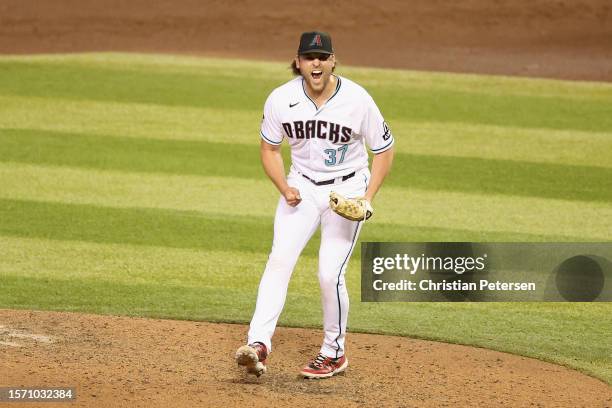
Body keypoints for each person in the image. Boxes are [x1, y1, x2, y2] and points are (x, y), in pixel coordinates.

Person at [235, 31, 394, 379]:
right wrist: (284, 186)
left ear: (333, 60)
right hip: (302, 187)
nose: (316, 63)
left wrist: (367, 198)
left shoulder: (357, 99)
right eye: (309, 57)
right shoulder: (280, 99)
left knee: (328, 273)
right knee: (279, 261)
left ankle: (333, 352)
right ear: (298, 62)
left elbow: (383, 150)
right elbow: (270, 149)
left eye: (322, 57)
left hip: (347, 190)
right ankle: (258, 343)